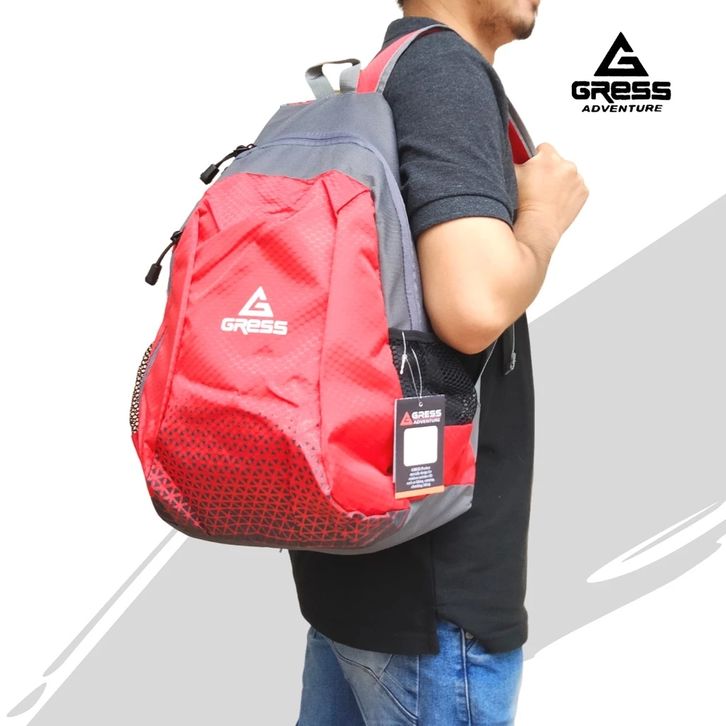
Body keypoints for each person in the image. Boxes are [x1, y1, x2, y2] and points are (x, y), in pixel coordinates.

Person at [292, 0, 589, 723]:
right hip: (437, 608)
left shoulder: (381, 78)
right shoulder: (445, 71)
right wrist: (544, 216)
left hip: (359, 578)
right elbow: (473, 305)